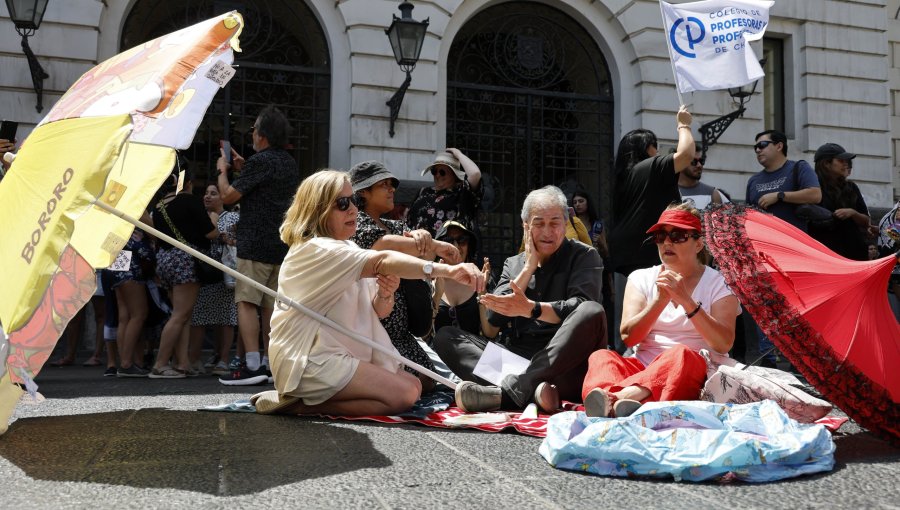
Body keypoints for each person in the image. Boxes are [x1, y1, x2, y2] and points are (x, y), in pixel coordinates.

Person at [251, 170, 484, 416]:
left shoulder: (347, 247)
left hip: (344, 352)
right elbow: (383, 258)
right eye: (342, 203)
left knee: (414, 385)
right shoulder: (315, 249)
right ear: (318, 210)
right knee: (404, 395)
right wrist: (447, 270)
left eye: (353, 200)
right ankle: (298, 405)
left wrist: (385, 294)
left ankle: (304, 403)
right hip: (307, 360)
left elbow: (379, 311)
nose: (353, 209)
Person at [433, 186, 606, 414]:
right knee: (447, 337)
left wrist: (532, 309)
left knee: (591, 310)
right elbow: (493, 318)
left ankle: (513, 392)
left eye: (554, 223)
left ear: (565, 224)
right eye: (539, 223)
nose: (547, 231)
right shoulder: (514, 264)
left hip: (565, 366)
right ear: (526, 227)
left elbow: (581, 306)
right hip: (516, 362)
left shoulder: (585, 256)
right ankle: (535, 390)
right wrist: (528, 267)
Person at [581, 203, 741, 417]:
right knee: (602, 357)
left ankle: (615, 399)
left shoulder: (720, 283)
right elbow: (629, 337)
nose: (667, 242)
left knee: (681, 354)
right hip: (643, 368)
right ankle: (630, 403)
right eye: (660, 236)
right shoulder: (641, 277)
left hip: (691, 373)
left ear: (698, 244)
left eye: (678, 235)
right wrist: (660, 300)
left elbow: (723, 344)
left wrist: (686, 300)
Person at [348, 160, 460, 389]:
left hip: (401, 332)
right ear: (364, 193)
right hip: (372, 330)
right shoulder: (356, 224)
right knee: (414, 384)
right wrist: (435, 244)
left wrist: (422, 236)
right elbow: (384, 245)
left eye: (392, 184)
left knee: (429, 381)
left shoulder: (396, 226)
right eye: (383, 185)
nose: (392, 189)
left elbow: (417, 251)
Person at [216, 105, 300, 385]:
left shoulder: (259, 162)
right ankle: (270, 362)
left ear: (262, 136)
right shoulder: (288, 162)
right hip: (281, 244)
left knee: (247, 302)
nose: (251, 133)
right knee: (270, 306)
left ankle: (251, 364)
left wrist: (222, 171)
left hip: (254, 243)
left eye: (253, 129)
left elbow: (228, 196)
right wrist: (245, 168)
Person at [609, 106, 695, 277]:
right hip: (649, 248)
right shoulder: (650, 167)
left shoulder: (624, 176)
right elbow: (686, 155)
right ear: (647, 148)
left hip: (626, 251)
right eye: (655, 146)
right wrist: (683, 125)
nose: (657, 152)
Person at [150, 173, 218, 378]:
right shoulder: (189, 200)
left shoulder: (160, 206)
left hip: (165, 260)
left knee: (182, 315)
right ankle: (160, 364)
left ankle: (182, 363)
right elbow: (210, 233)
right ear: (187, 183)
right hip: (185, 262)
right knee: (180, 315)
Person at [189, 184, 239, 376]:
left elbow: (235, 241)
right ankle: (199, 358)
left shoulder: (232, 217)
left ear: (222, 197)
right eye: (206, 193)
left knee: (226, 317)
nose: (207, 197)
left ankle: (224, 359)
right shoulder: (200, 216)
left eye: (213, 193)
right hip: (204, 272)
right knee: (200, 316)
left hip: (225, 272)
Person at [745, 130, 822, 232]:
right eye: (756, 148)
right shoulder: (753, 180)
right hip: (763, 243)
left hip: (792, 242)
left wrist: (779, 196)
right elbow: (747, 215)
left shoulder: (799, 168)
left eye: (762, 145)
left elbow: (815, 195)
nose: (758, 150)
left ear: (779, 146)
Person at [807, 143, 872, 261]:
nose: (846, 164)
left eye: (847, 160)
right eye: (841, 160)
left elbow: (866, 221)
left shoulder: (851, 187)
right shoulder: (811, 188)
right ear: (826, 163)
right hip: (823, 254)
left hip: (854, 252)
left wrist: (852, 213)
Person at [432, 220, 496, 338]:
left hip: (472, 354)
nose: (456, 247)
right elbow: (424, 335)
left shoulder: (482, 279)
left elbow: (490, 333)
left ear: (469, 245)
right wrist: (437, 295)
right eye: (448, 241)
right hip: (436, 355)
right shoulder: (429, 281)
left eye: (462, 240)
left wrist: (481, 290)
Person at [406, 148, 482, 237]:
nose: (437, 175)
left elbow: (475, 174)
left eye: (442, 172)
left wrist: (458, 154)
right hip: (419, 247)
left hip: (449, 248)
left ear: (454, 174)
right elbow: (408, 220)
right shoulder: (423, 191)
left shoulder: (461, 193)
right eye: (434, 171)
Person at [676, 144, 726, 210]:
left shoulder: (713, 194)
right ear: (680, 164)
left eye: (701, 161)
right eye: (694, 162)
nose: (699, 165)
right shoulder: (665, 192)